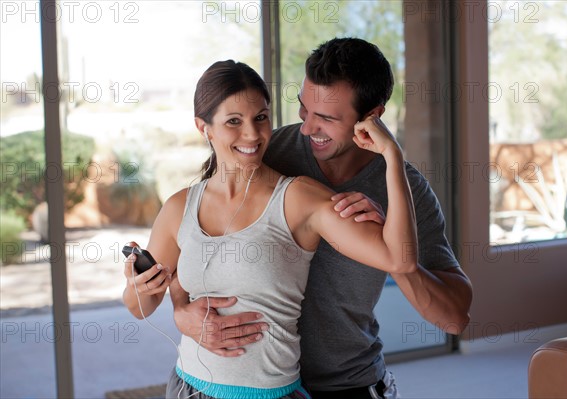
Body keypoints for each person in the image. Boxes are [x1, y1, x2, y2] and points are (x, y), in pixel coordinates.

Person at [168, 37, 473, 398]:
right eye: (304, 109)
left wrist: (389, 245)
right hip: (261, 385)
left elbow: (453, 317)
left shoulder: (405, 191)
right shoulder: (270, 151)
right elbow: (193, 241)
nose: (308, 128)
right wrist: (181, 311)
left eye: (326, 118)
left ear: (371, 117)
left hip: (347, 384)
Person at [123, 57, 423, 399]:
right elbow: (138, 308)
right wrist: (140, 284)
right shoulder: (179, 207)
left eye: (260, 118)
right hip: (188, 388)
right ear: (203, 127)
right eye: (233, 121)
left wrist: (392, 157)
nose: (251, 134)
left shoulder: (299, 199)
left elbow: (401, 260)